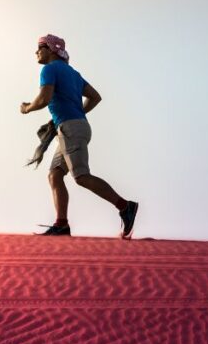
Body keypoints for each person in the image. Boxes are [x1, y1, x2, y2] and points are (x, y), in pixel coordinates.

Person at [20, 34, 138, 238]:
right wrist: (77, 114)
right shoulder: (73, 73)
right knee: (55, 175)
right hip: (73, 127)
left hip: (71, 129)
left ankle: (125, 206)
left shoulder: (49, 69)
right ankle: (62, 224)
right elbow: (95, 97)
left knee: (81, 176)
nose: (36, 51)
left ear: (51, 49)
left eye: (40, 47)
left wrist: (27, 108)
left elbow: (44, 98)